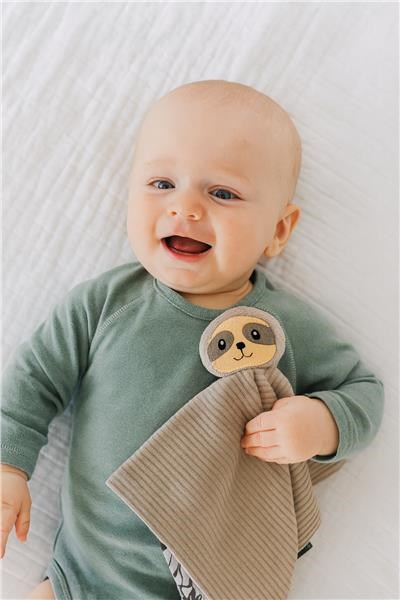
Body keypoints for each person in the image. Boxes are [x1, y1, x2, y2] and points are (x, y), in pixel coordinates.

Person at [1, 80, 384, 600]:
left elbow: (364, 393)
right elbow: (33, 381)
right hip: (83, 580)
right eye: (162, 183)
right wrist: (9, 465)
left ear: (278, 230)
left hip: (212, 583)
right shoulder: (105, 304)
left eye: (222, 193)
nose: (185, 208)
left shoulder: (284, 326)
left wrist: (321, 424)